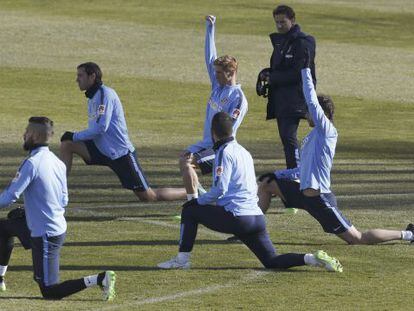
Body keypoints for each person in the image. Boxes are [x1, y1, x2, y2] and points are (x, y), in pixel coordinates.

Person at [257, 51, 414, 245]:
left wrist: (305, 70)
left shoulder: (327, 131)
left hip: (319, 199)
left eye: (308, 112)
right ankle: (252, 230)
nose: (306, 114)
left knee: (358, 239)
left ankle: (408, 234)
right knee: (267, 183)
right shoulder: (312, 136)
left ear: (320, 114)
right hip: (302, 195)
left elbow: (312, 101)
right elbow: (303, 169)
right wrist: (278, 174)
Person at [158, 112, 342, 272]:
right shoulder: (244, 152)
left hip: (238, 218)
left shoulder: (224, 152)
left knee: (190, 211)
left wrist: (197, 201)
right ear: (231, 130)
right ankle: (311, 258)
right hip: (256, 218)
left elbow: (219, 189)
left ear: (213, 133)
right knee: (271, 261)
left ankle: (182, 261)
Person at [0, 117, 116, 300]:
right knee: (3, 227)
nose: (24, 134)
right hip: (47, 226)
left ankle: (100, 279)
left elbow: (9, 197)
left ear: (36, 136)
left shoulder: (32, 163)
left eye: (27, 132)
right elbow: (64, 200)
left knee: (49, 291)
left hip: (46, 234)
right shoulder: (58, 162)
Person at [60, 62, 186, 202]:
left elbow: (101, 128)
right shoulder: (92, 97)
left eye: (80, 75)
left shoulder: (104, 95)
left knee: (148, 196)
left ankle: (191, 190)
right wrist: (72, 138)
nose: (77, 79)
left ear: (92, 76)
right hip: (100, 149)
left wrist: (74, 135)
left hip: (120, 154)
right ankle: (59, 190)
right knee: (67, 144)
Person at [179, 15, 248, 202]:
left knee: (189, 163)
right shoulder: (217, 86)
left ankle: (198, 202)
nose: (214, 75)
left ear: (231, 73)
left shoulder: (238, 99)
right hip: (206, 143)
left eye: (218, 72)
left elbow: (229, 130)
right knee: (184, 158)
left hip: (221, 148)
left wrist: (212, 149)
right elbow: (209, 56)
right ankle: (195, 200)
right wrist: (210, 29)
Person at [262, 5, 316, 169]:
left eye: (282, 22)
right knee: (286, 138)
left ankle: (296, 173)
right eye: (276, 22)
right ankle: (295, 171)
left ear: (292, 20)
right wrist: (266, 73)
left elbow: (299, 73)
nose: (279, 26)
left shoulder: (302, 43)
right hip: (282, 98)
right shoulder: (281, 42)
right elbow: (281, 68)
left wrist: (273, 78)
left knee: (288, 137)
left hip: (295, 98)